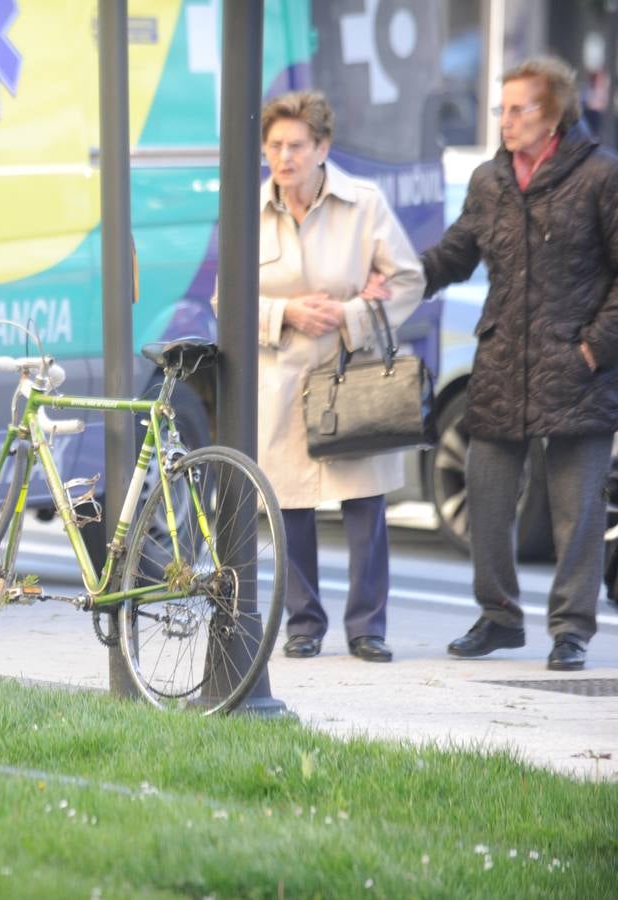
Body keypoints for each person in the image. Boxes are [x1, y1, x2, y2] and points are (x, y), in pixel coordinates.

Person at [421, 57, 618, 672]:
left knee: (576, 512)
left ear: (553, 113)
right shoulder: (488, 180)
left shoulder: (601, 176)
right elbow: (456, 254)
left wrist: (594, 347)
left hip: (578, 370)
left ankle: (572, 631)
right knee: (486, 496)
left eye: (517, 108)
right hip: (503, 364)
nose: (504, 120)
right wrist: (400, 274)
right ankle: (500, 617)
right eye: (500, 109)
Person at [233, 90, 425, 663]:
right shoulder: (249, 208)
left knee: (364, 503)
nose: (283, 157)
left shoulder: (363, 204)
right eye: (274, 146)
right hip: (283, 379)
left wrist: (350, 316)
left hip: (352, 373)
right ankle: (303, 623)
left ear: (323, 148)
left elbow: (408, 279)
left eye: (296, 145)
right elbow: (227, 301)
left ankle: (367, 627)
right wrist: (285, 312)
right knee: (287, 503)